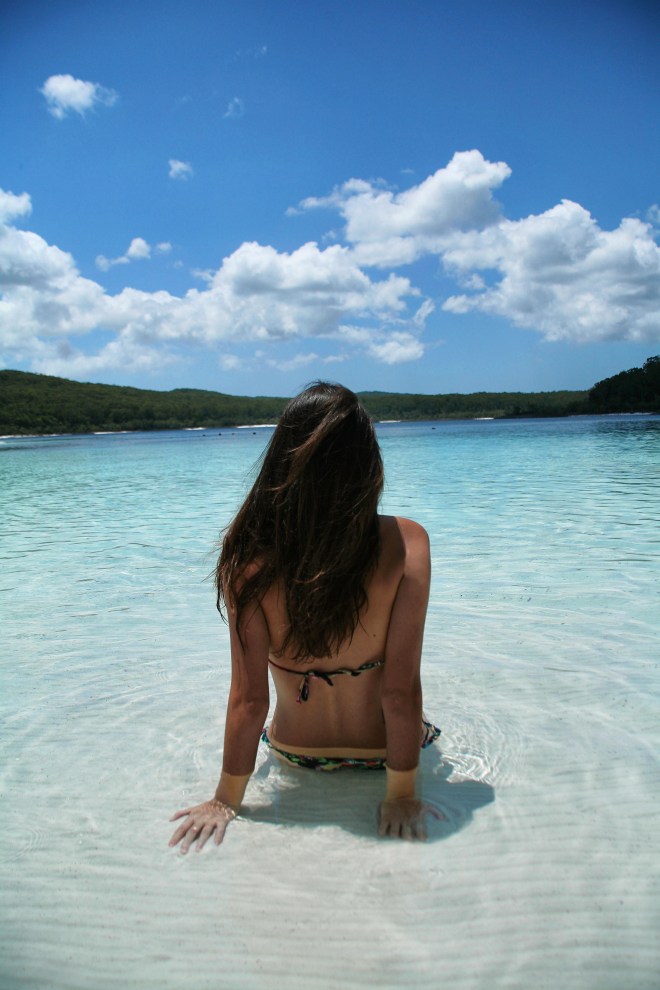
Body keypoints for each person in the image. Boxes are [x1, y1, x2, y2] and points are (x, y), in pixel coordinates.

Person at [169, 382, 442, 852]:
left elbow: (248, 700)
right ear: (368, 465)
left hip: (297, 755)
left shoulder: (248, 563)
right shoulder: (409, 542)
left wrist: (225, 801)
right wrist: (400, 796)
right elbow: (400, 692)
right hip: (387, 757)